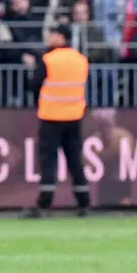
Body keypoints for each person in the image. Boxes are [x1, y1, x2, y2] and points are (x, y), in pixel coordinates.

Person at [23, 26, 91, 217]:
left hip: (51, 116)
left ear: (62, 37)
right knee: (75, 160)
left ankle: (44, 204)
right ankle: (84, 203)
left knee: (48, 161)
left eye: (53, 34)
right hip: (74, 117)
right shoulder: (81, 60)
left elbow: (34, 84)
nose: (49, 37)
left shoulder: (48, 60)